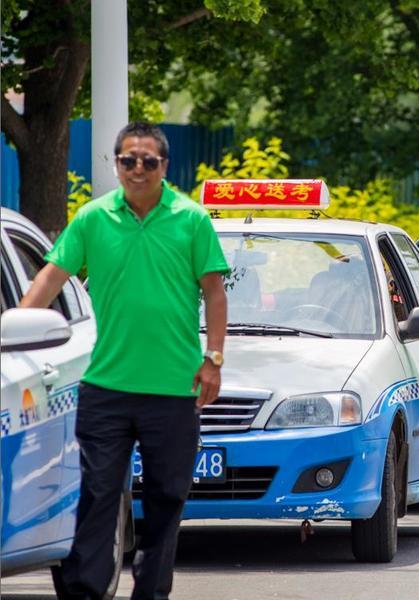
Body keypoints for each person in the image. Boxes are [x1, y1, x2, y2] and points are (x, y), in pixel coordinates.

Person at [19, 122, 229, 599]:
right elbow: (51, 278)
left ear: (164, 167)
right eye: (128, 160)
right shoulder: (93, 220)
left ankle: (151, 592)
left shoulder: (191, 220)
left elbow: (214, 293)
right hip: (106, 388)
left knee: (166, 501)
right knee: (96, 496)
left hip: (174, 391)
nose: (137, 169)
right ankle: (86, 593)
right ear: (116, 164)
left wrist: (213, 358)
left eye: (148, 161)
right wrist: (18, 327)